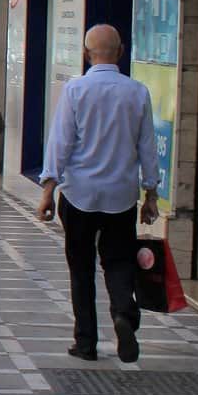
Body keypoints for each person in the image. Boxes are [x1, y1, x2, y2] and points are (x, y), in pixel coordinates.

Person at [37, 24, 159, 363]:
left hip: (79, 194)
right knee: (119, 261)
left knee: (81, 267)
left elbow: (60, 143)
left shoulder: (76, 91)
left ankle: (86, 341)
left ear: (86, 54)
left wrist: (48, 189)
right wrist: (150, 193)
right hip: (120, 195)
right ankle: (123, 312)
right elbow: (147, 147)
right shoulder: (137, 92)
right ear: (120, 52)